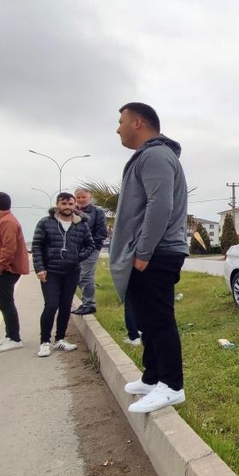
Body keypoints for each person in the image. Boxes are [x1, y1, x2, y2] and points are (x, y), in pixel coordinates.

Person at [110, 102, 189, 413]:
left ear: (138, 123)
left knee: (158, 319)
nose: (118, 128)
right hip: (150, 252)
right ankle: (153, 376)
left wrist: (143, 252)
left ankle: (172, 386)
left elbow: (160, 206)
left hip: (157, 252)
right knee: (146, 320)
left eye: (121, 122)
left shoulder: (155, 155)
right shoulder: (149, 155)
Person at [32, 192, 94, 357]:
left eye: (70, 204)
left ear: (75, 206)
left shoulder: (81, 224)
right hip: (50, 272)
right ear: (58, 204)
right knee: (51, 305)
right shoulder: (46, 223)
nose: (67, 207)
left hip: (71, 272)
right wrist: (39, 268)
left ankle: (60, 339)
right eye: (64, 204)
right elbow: (37, 246)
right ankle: (45, 341)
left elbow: (90, 244)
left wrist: (77, 257)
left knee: (66, 306)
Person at [0, 192, 30, 353]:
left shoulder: (7, 222)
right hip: (6, 268)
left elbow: (8, 249)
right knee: (4, 303)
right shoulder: (5, 220)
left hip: (7, 270)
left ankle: (14, 338)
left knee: (6, 303)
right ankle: (10, 335)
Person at [72, 188, 108, 316]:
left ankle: (89, 304)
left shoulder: (97, 212)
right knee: (75, 277)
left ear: (90, 198)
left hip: (91, 249)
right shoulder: (72, 212)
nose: (81, 200)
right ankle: (85, 302)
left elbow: (102, 232)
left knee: (85, 276)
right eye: (78, 197)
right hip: (75, 251)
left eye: (83, 197)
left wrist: (92, 246)